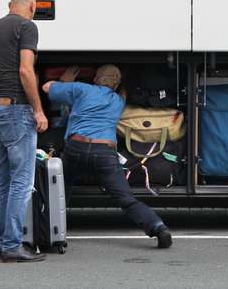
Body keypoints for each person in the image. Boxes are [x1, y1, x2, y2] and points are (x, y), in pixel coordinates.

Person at [42, 65, 173, 248]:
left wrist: (65, 81)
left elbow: (47, 87)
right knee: (126, 199)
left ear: (95, 79)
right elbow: (123, 93)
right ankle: (158, 227)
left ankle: (49, 232)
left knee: (59, 190)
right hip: (104, 153)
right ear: (116, 84)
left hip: (76, 148)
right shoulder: (118, 101)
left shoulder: (81, 89)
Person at [0, 0, 48, 263]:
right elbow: (25, 69)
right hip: (16, 110)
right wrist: (38, 109)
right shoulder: (27, 27)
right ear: (32, 7)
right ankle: (12, 246)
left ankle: (3, 241)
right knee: (21, 181)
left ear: (10, 4)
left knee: (1, 179)